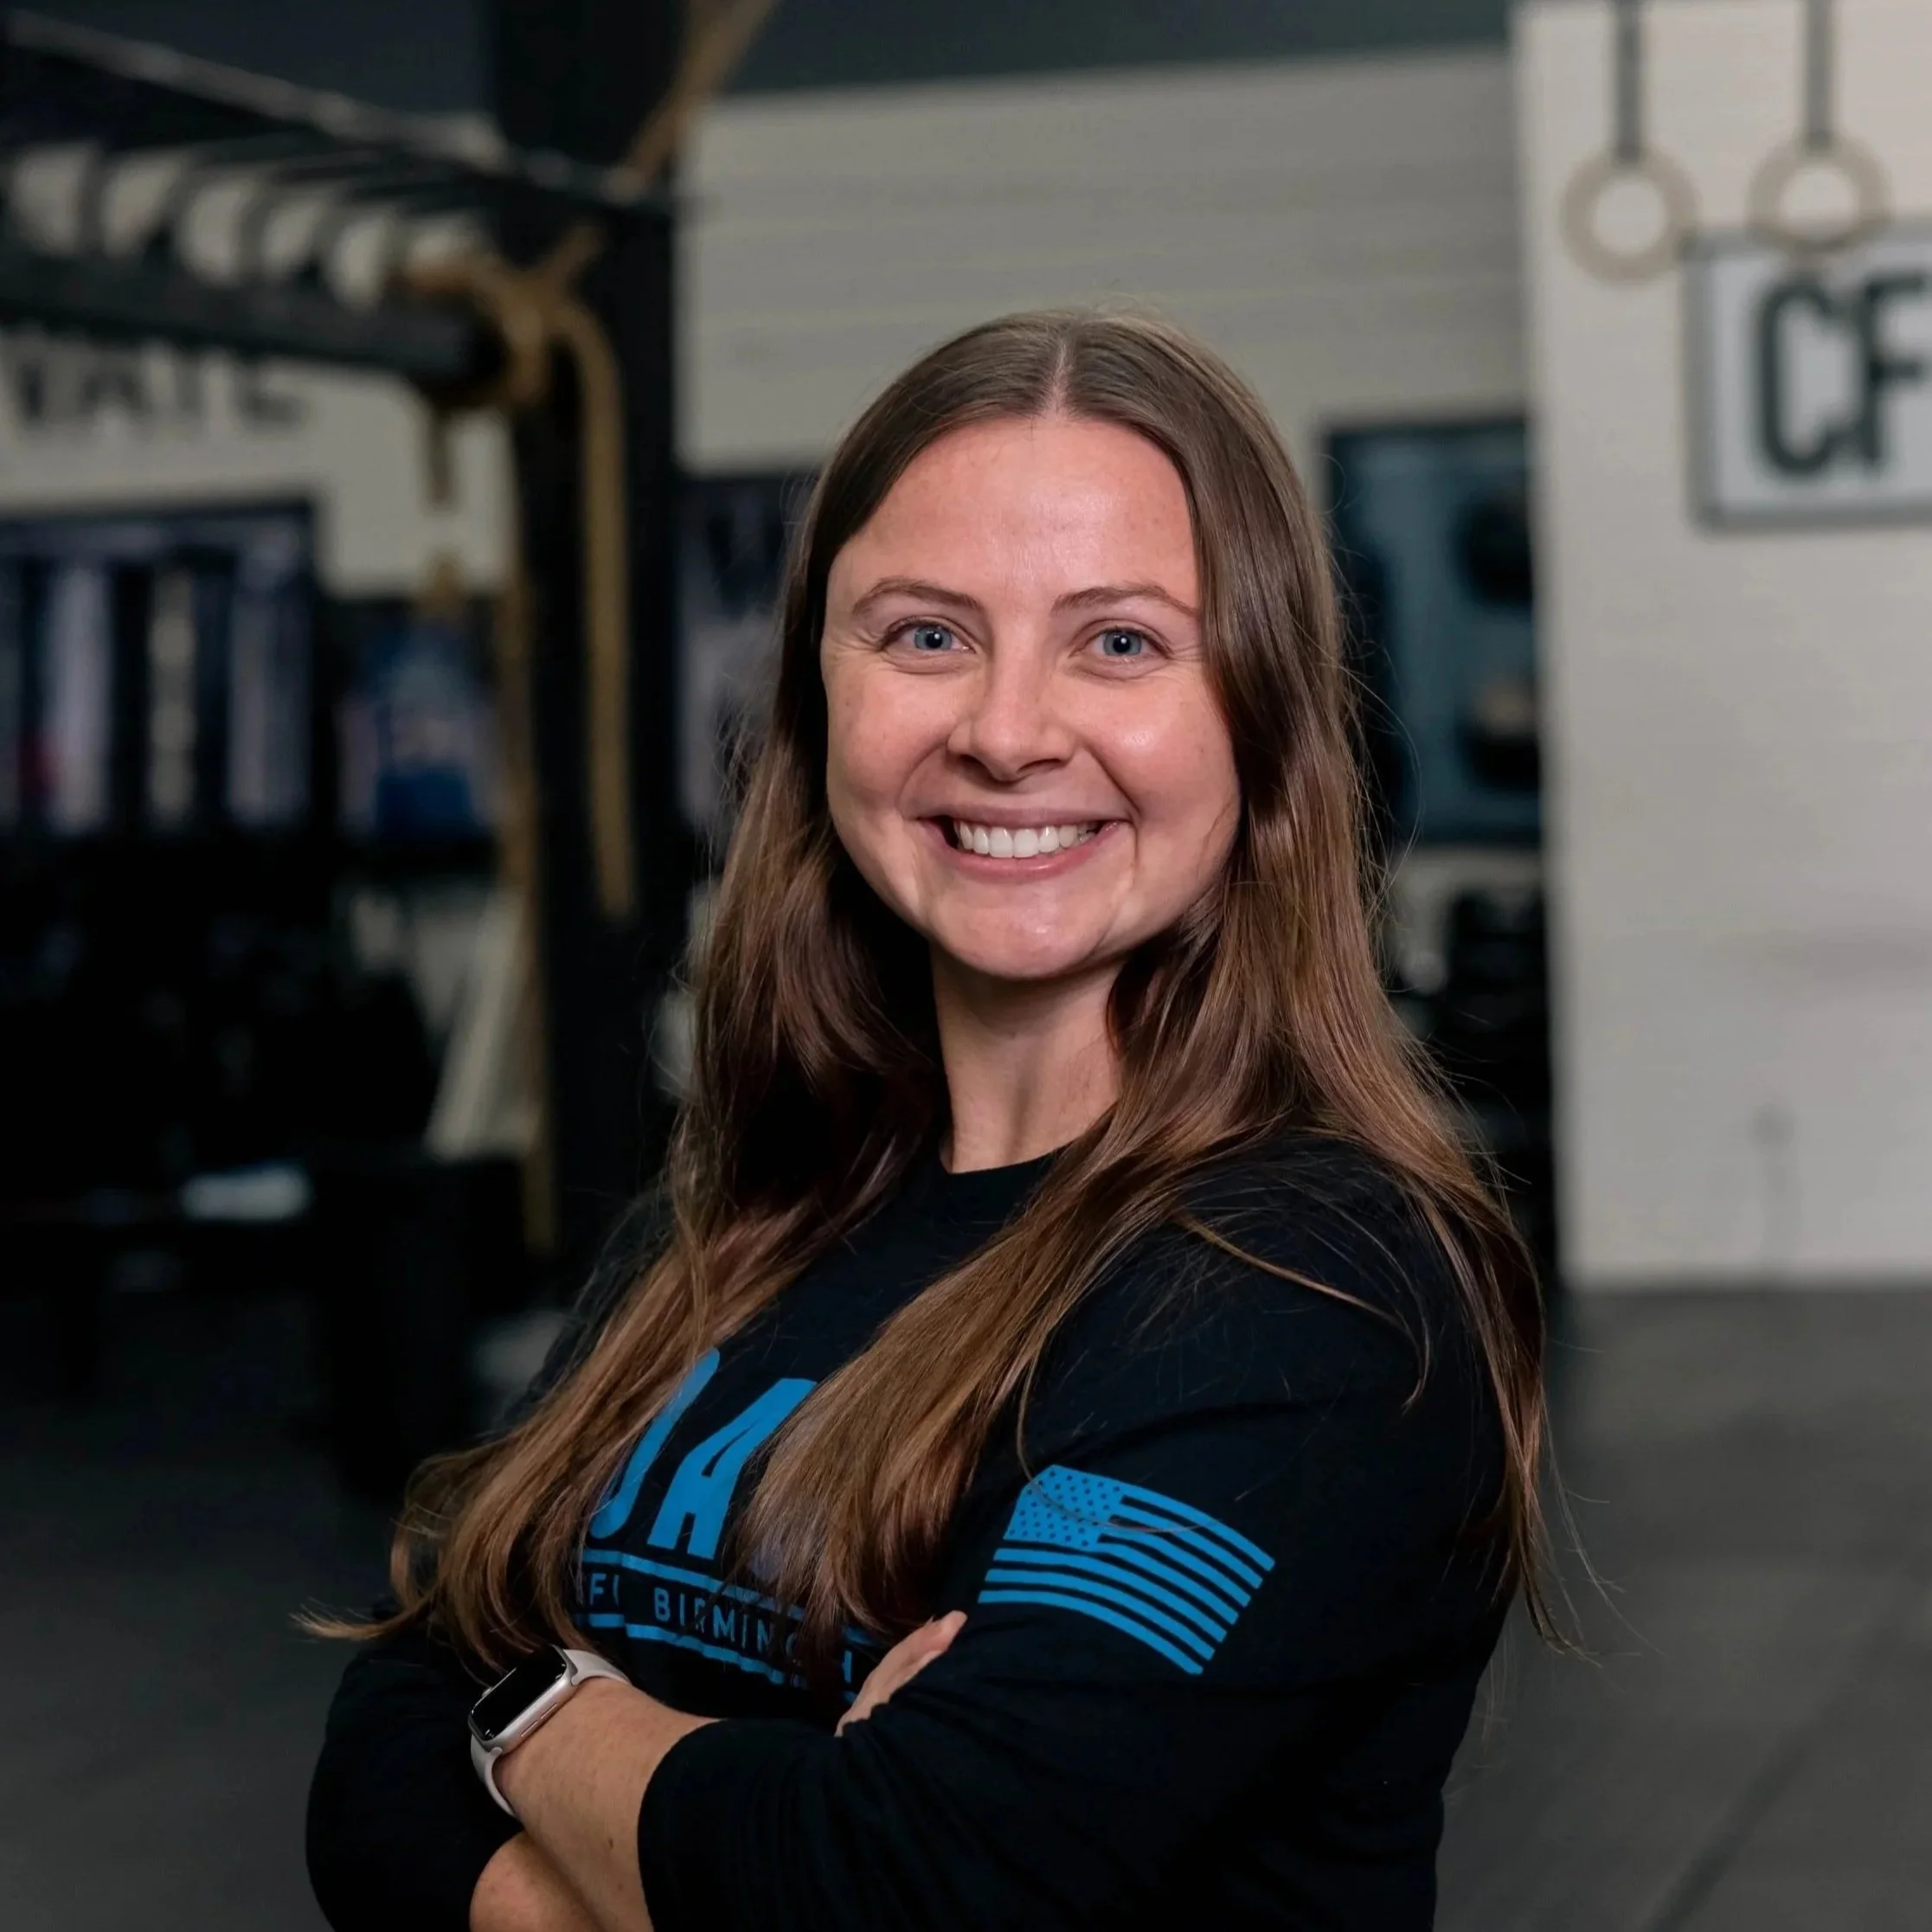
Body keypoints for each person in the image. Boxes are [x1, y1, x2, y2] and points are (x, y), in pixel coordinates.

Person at [306, 309, 1552, 1932]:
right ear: (819, 697)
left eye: (1120, 642)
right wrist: (745, 1816)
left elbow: (901, 1885)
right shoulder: (736, 1219)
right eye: (925, 635)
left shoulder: (1305, 1289)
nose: (1008, 731)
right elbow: (371, 1769)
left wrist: (534, 1709)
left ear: (1259, 719)